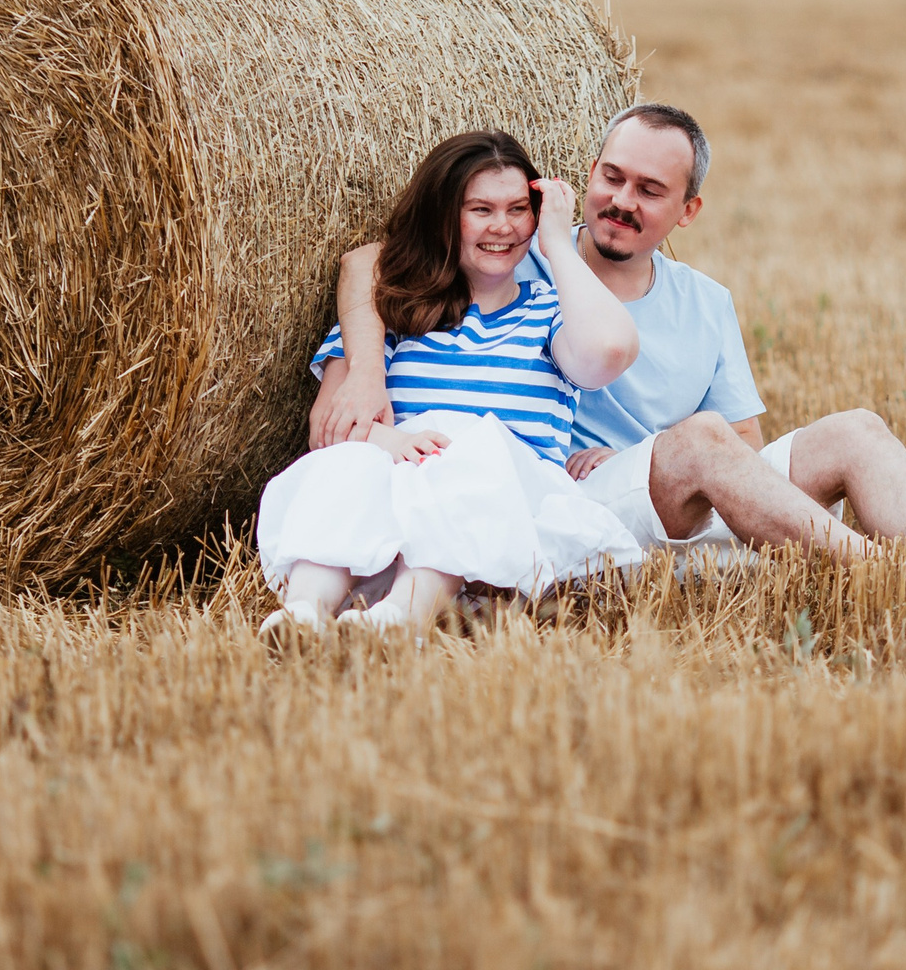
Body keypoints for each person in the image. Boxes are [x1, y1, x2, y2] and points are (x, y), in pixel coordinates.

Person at [309, 103, 906, 608]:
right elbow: (373, 263)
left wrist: (653, 458)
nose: (620, 200)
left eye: (649, 190)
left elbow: (742, 449)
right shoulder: (516, 259)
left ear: (688, 211)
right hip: (569, 496)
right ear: (588, 175)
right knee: (699, 441)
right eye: (611, 177)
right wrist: (366, 373)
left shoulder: (705, 300)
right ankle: (897, 578)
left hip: (665, 482)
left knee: (854, 429)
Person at [257, 129, 644, 643]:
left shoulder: (551, 316)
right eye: (480, 210)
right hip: (383, 523)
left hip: (498, 523)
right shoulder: (391, 315)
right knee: (349, 464)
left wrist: (556, 244)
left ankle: (397, 621)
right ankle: (303, 615)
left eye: (517, 210)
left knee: (471, 454)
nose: (502, 227)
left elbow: (610, 352)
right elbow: (327, 428)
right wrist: (389, 443)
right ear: (445, 216)